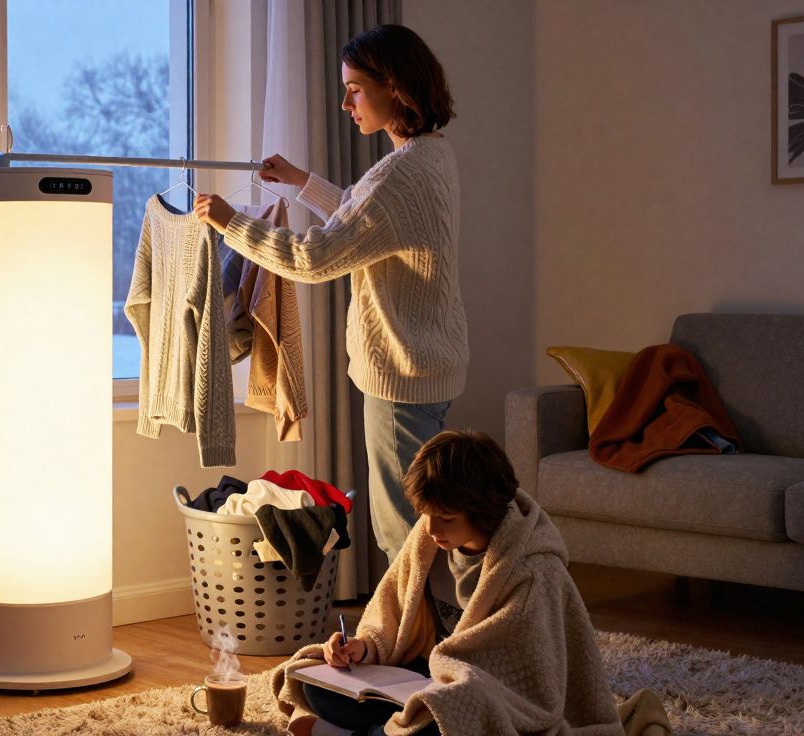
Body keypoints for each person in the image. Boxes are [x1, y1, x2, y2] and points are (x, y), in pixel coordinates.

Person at [193, 24, 468, 563]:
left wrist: (230, 225)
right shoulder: (431, 157)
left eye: (356, 89)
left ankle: (419, 642)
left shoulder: (398, 174)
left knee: (404, 533)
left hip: (400, 376)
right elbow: (366, 218)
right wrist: (302, 182)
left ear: (395, 86)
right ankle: (439, 630)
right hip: (432, 367)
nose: (345, 103)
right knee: (427, 521)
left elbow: (316, 257)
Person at [270, 430, 624, 736]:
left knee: (449, 717)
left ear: (483, 509)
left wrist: (445, 689)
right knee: (312, 681)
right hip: (422, 676)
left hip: (477, 687)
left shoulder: (533, 570)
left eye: (447, 518)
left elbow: (528, 689)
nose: (433, 529)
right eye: (426, 515)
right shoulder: (429, 537)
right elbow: (391, 612)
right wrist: (361, 647)